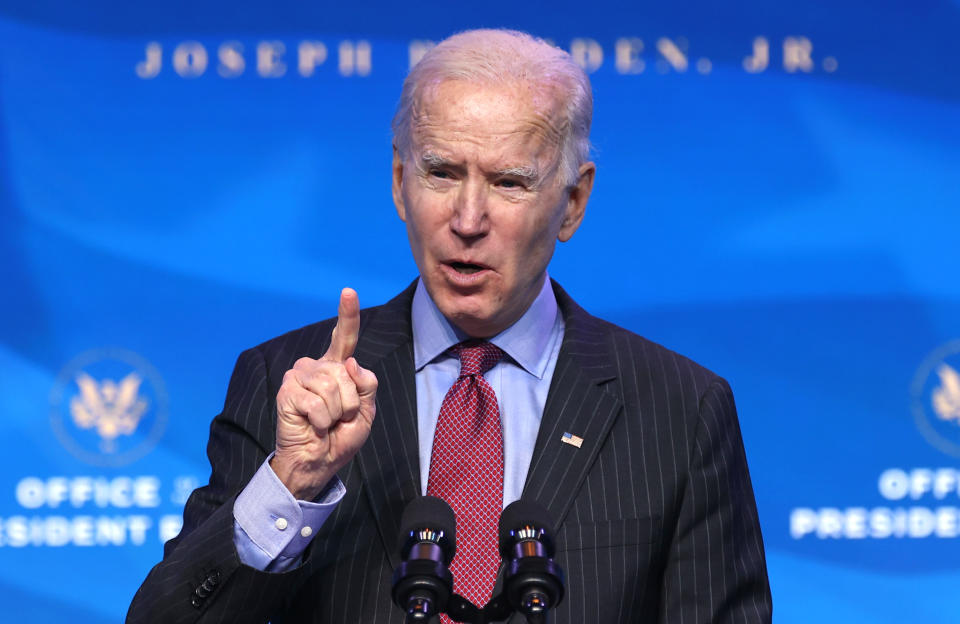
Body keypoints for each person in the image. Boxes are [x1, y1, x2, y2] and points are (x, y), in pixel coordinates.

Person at [128, 28, 772, 623]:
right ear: (400, 181)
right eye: (441, 173)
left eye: (508, 183)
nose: (467, 218)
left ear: (573, 203)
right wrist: (293, 481)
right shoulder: (288, 383)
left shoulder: (680, 410)